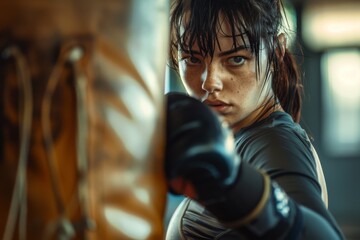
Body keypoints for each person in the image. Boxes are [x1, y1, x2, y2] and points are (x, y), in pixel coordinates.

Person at [164, 0, 346, 239]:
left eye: (236, 59)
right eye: (193, 59)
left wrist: (235, 184)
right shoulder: (239, 137)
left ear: (276, 52)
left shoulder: (274, 141)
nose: (210, 82)